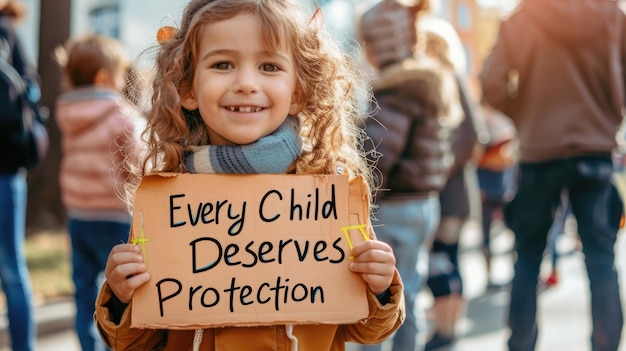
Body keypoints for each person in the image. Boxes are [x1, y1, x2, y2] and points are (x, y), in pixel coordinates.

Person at [94, 1, 405, 350]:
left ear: (298, 91)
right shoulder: (168, 202)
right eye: (222, 64)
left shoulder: (325, 192)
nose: (245, 83)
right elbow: (136, 340)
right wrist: (120, 298)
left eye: (269, 66)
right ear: (188, 88)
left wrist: (380, 288)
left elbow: (364, 330)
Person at [480, 1, 626, 350]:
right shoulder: (611, 15)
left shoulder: (521, 18)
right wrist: (608, 114)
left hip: (538, 155)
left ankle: (521, 344)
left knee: (528, 257)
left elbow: (490, 83)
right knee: (601, 260)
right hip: (594, 150)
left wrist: (528, 116)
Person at [356, 1, 461, 350]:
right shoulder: (427, 85)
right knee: (408, 291)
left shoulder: (394, 92)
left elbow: (376, 156)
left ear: (376, 44)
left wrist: (358, 199)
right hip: (424, 203)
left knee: (380, 297)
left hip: (394, 207)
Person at [55, 34, 145, 351]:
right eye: (121, 76)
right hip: (115, 216)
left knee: (83, 291)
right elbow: (140, 161)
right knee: (120, 291)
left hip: (79, 216)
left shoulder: (67, 114)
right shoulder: (121, 115)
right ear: (103, 78)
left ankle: (87, 345)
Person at [421, 17, 484, 351]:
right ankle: (447, 327)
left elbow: (472, 135)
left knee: (443, 260)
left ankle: (447, 331)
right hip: (449, 189)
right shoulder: (444, 80)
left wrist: (438, 168)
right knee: (447, 259)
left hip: (451, 191)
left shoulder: (450, 80)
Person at [0, 1, 38, 350]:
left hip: (6, 168)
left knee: (11, 268)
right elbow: (31, 89)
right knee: (12, 267)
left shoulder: (6, 32)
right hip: (8, 165)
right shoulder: (11, 33)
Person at [476, 107, 517, 288]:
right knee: (486, 235)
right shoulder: (481, 116)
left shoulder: (505, 117)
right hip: (487, 184)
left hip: (504, 184)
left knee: (512, 230)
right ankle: (489, 275)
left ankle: (511, 271)